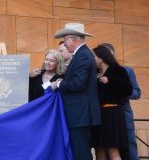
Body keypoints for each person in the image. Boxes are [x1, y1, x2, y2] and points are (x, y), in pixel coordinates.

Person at [51, 23, 101, 160]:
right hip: (79, 114)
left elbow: (78, 83)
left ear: (73, 39)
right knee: (79, 151)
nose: (64, 44)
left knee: (81, 152)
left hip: (80, 114)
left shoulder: (83, 55)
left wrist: (59, 83)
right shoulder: (81, 54)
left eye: (65, 40)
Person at [98, 43, 141, 160]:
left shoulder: (126, 71)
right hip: (104, 118)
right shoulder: (97, 73)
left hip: (123, 116)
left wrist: (117, 88)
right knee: (104, 153)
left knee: (129, 153)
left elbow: (136, 93)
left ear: (113, 55)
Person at [91, 45, 132, 160]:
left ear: (101, 58)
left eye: (94, 56)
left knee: (112, 150)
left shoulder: (117, 70)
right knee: (99, 149)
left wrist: (110, 81)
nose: (92, 58)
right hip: (98, 115)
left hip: (112, 113)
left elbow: (128, 90)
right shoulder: (95, 72)